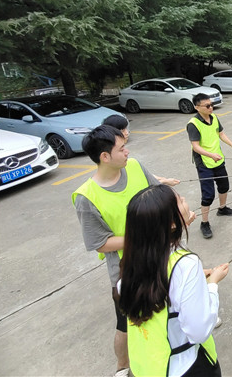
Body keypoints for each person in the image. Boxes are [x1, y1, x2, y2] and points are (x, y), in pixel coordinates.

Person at [72, 125, 161, 377]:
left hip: (160, 255)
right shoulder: (86, 197)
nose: (127, 152)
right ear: (105, 157)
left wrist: (177, 212)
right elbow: (100, 243)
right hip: (127, 270)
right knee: (127, 323)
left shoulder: (134, 167)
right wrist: (143, 235)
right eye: (121, 148)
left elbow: (160, 194)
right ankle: (122, 367)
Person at [119, 185, 229, 377]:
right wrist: (212, 284)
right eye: (180, 200)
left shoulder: (130, 263)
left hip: (145, 368)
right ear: (170, 223)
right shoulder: (186, 265)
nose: (185, 199)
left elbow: (161, 286)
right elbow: (199, 330)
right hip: (186, 367)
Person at [187, 93, 232, 240]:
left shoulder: (214, 117)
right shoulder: (193, 124)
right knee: (208, 194)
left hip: (218, 159)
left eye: (211, 104)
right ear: (197, 107)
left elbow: (221, 133)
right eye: (207, 105)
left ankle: (222, 209)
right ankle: (204, 223)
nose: (211, 107)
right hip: (204, 163)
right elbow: (195, 146)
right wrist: (210, 155)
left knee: (224, 186)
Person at [102, 114, 180, 187]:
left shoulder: (131, 163)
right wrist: (164, 181)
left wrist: (164, 180)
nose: (127, 133)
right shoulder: (116, 164)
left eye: (126, 129)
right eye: (122, 130)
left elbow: (145, 175)